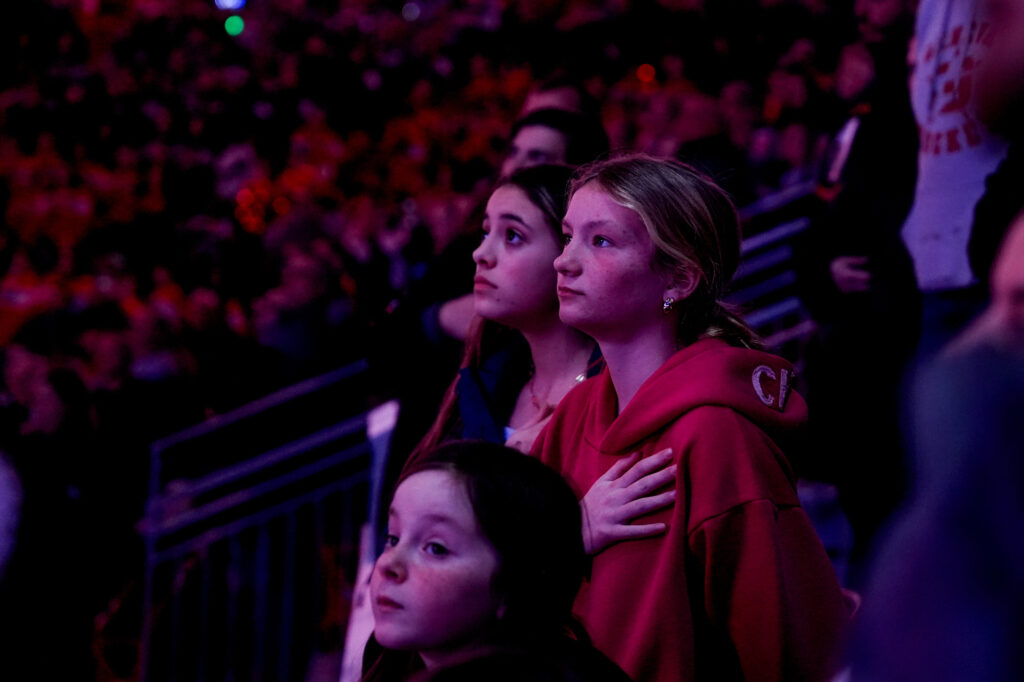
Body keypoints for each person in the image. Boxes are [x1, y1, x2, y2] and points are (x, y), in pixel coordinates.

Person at [534, 154, 846, 682]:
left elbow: (782, 653)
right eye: (567, 237)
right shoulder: (570, 419)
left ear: (678, 278)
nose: (564, 261)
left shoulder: (716, 436)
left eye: (601, 241)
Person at [410, 164, 675, 554]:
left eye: (513, 236)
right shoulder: (480, 384)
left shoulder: (628, 389)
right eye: (486, 232)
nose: (481, 253)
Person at [360, 440, 631, 682]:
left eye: (435, 548)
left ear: (516, 584)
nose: (388, 565)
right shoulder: (386, 660)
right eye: (393, 538)